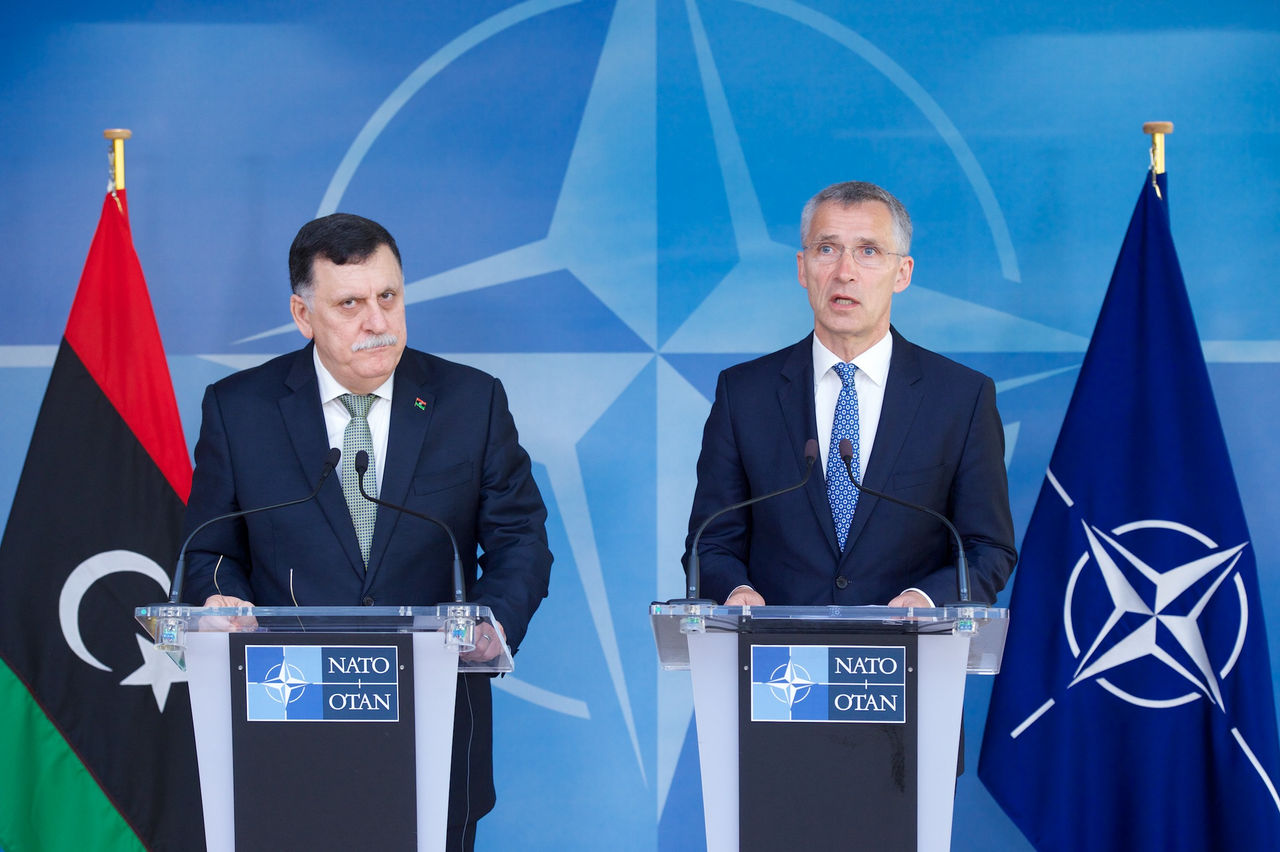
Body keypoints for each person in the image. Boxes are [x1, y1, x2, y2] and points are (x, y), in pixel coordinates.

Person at [181, 212, 553, 849]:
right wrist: (219, 600)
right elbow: (211, 547)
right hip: (287, 721)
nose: (377, 322)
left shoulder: (471, 401)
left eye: (389, 297)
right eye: (349, 304)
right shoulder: (240, 409)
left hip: (434, 723)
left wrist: (491, 625)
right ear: (303, 315)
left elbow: (520, 538)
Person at [683, 181, 1016, 608]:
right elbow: (711, 541)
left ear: (903, 273)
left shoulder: (961, 398)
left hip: (908, 657)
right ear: (802, 269)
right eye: (827, 249)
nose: (845, 271)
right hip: (776, 662)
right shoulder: (744, 394)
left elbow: (988, 547)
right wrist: (736, 592)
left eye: (869, 251)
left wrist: (925, 598)